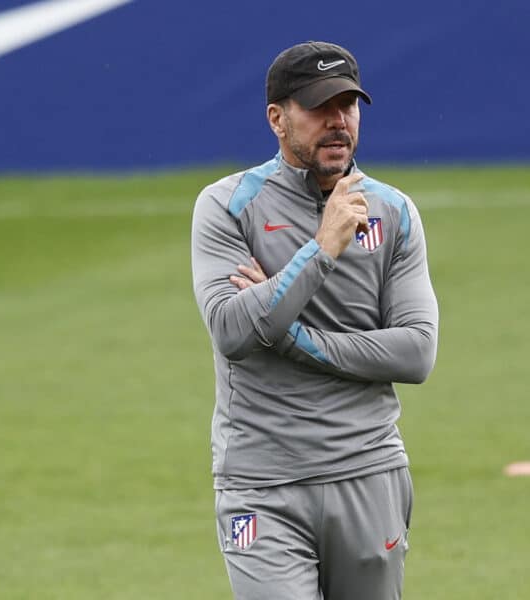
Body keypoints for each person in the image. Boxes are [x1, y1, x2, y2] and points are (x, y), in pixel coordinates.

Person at [190, 41, 439, 599]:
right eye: (319, 108)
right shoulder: (228, 205)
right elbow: (232, 331)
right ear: (277, 118)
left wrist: (288, 334)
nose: (338, 122)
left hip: (368, 473)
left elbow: (416, 353)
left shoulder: (392, 212)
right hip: (261, 483)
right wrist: (321, 249)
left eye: (348, 106)